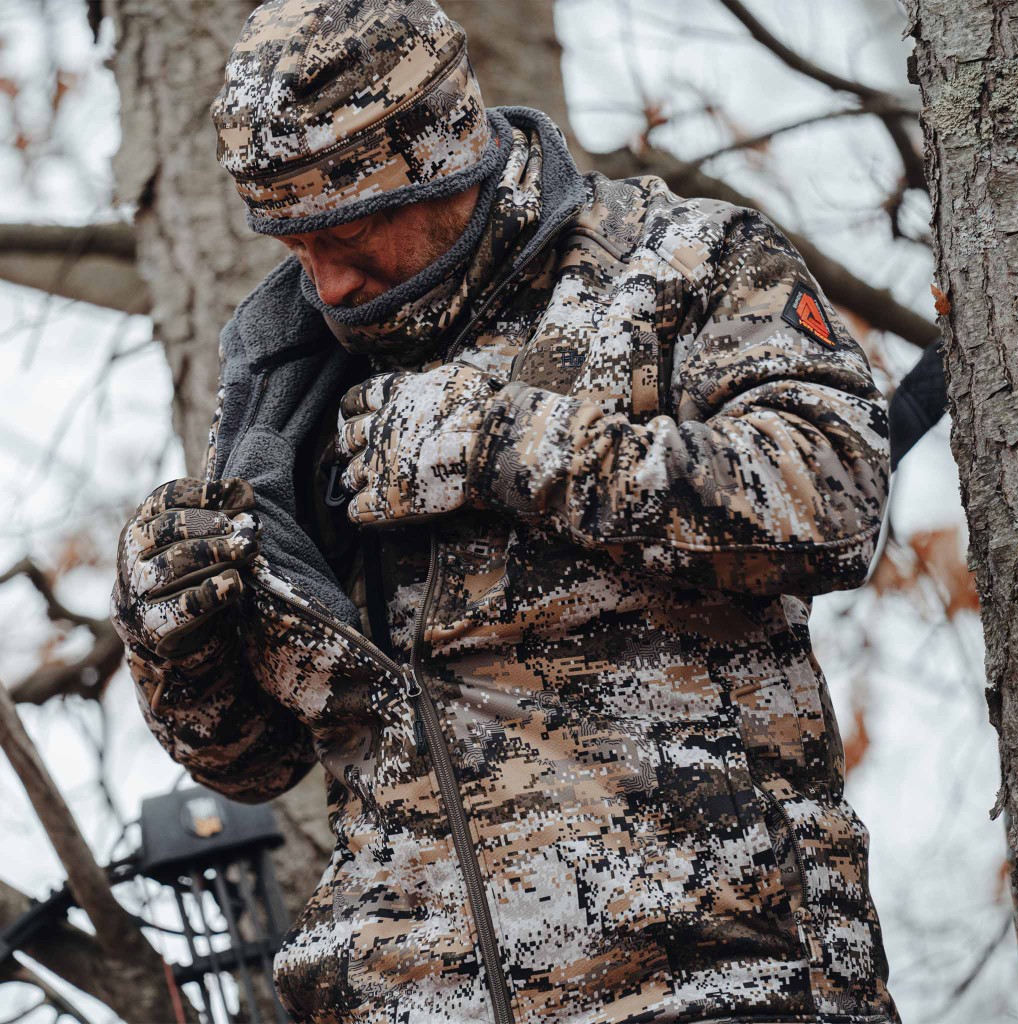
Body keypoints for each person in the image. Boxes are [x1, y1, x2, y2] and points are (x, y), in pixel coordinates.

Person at [109, 1, 900, 1021]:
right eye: (293, 241)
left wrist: (501, 442)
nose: (327, 279)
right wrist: (171, 634)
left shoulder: (675, 264)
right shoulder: (286, 383)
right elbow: (256, 759)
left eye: (347, 234)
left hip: (708, 979)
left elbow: (833, 493)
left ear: (445, 159)